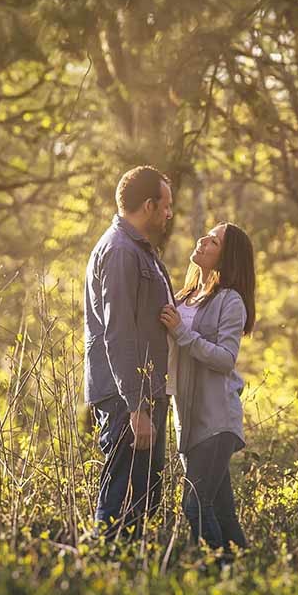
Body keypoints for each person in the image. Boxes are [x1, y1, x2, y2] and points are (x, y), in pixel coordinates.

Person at [84, 166, 176, 540]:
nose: (169, 214)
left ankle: (132, 585)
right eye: (166, 206)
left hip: (143, 395)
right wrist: (137, 406)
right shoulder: (121, 252)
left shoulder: (139, 249)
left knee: (143, 506)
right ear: (149, 205)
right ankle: (101, 579)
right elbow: (118, 333)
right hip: (128, 400)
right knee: (121, 506)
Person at [159, 222, 256, 555]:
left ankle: (221, 570)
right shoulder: (184, 297)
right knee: (223, 514)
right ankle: (247, 579)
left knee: (194, 506)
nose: (203, 240)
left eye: (213, 241)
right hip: (186, 418)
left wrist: (182, 334)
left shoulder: (231, 301)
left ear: (226, 258)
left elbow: (226, 359)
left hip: (216, 421)